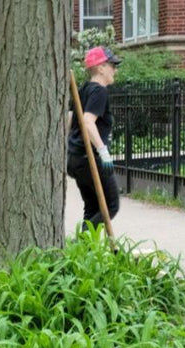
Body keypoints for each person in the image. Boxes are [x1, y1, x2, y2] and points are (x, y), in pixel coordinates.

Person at [67, 46, 122, 231]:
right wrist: (103, 151)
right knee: (111, 206)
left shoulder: (82, 90)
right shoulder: (99, 91)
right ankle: (82, 241)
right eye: (112, 65)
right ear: (100, 68)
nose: (115, 69)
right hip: (90, 158)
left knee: (92, 208)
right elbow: (88, 122)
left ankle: (83, 251)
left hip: (76, 158)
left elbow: (69, 119)